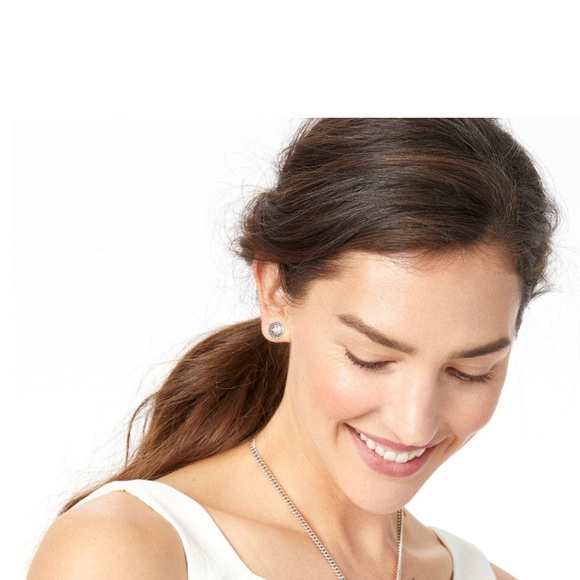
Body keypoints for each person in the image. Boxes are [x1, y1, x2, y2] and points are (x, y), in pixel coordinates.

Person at [27, 118, 558, 579]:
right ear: (275, 292)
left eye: (470, 370)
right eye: (370, 359)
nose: (414, 425)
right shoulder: (127, 553)